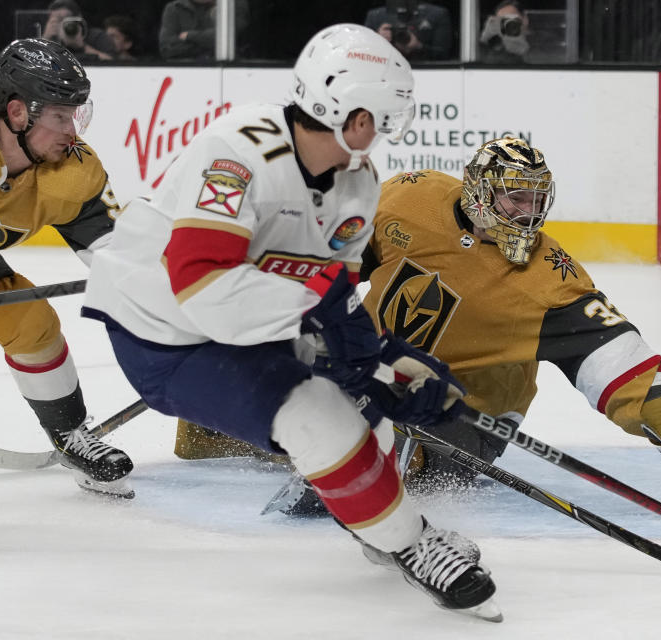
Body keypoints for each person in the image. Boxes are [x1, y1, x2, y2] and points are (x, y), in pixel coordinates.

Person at [81, 23, 501, 621]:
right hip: (162, 334)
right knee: (319, 415)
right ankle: (412, 543)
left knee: (365, 411)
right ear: (354, 116)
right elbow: (202, 285)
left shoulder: (357, 185)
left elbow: (337, 297)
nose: (384, 132)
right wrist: (324, 325)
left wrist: (384, 358)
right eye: (382, 117)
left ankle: (376, 525)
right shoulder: (238, 153)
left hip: (245, 322)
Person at [259, 138, 661, 514]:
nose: (529, 215)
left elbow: (618, 362)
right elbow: (339, 267)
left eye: (536, 201)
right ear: (480, 192)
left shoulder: (550, 281)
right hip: (372, 370)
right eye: (515, 199)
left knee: (380, 457)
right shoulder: (409, 197)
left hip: (467, 413)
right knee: (255, 392)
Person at [0, 38, 134, 497]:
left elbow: (114, 254)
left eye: (76, 115)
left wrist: (156, 291)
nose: (73, 131)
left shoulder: (73, 172)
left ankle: (70, 436)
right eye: (60, 117)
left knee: (32, 323)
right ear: (17, 112)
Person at [158, 0, 250, 61]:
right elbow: (167, 49)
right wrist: (207, 45)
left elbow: (226, 38)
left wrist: (190, 36)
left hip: (230, 73)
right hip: (184, 72)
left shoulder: (232, 4)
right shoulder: (174, 8)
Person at [364, 0, 453, 62]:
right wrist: (378, 40)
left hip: (428, 70)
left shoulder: (437, 14)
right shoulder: (375, 16)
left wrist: (419, 46)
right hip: (386, 70)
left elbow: (444, 55)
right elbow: (363, 57)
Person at [41, 0, 116, 62]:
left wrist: (82, 46)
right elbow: (35, 60)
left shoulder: (97, 36)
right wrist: (46, 38)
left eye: (66, 19)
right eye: (58, 20)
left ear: (78, 18)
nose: (62, 24)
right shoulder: (50, 39)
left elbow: (113, 62)